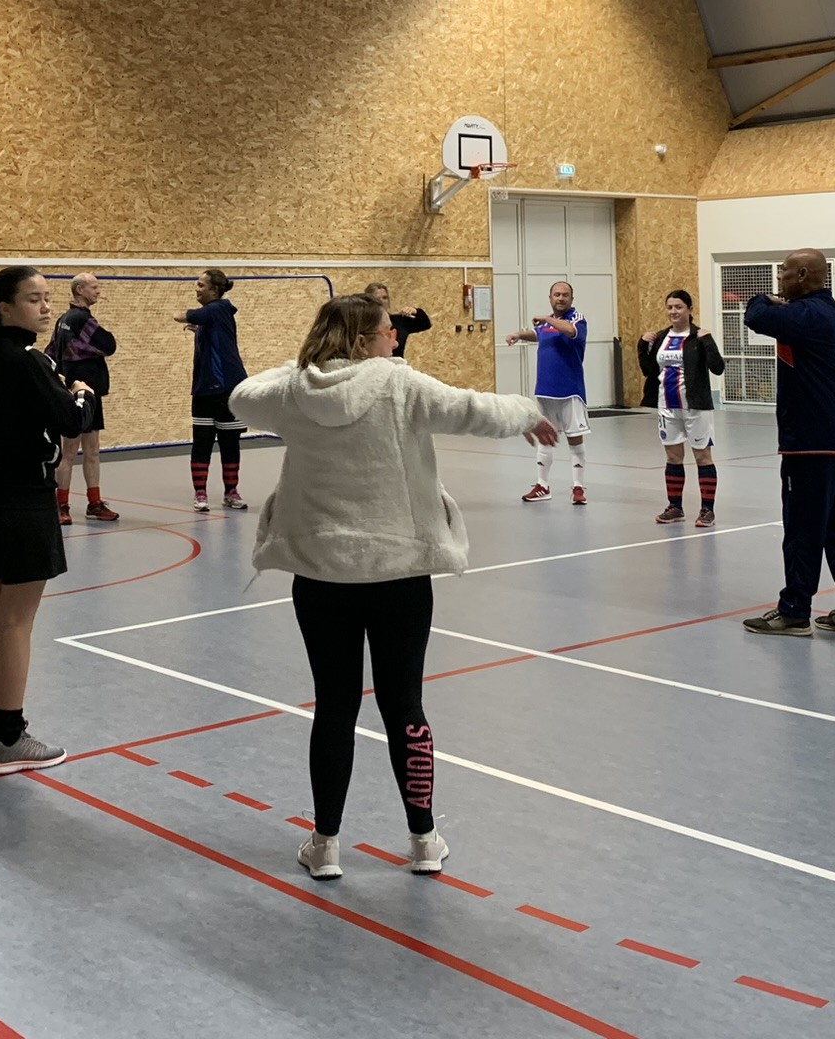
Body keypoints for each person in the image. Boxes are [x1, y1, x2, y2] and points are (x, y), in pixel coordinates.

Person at [231, 295, 556, 881]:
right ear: (362, 341)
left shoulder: (293, 392)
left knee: (334, 704)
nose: (395, 341)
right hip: (400, 574)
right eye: (386, 332)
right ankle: (424, 838)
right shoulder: (398, 385)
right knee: (404, 704)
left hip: (322, 574)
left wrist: (301, 366)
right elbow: (474, 409)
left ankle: (325, 844)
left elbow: (241, 395)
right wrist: (528, 411)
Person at [0, 265, 94, 775]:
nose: (43, 308)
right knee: (15, 620)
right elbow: (70, 421)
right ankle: (12, 737)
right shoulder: (28, 361)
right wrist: (80, 392)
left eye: (46, 299)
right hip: (22, 503)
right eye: (34, 299)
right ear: (5, 308)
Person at [739, 249, 835, 638]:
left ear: (801, 274)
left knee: (802, 529)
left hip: (811, 442)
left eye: (782, 271)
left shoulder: (808, 315)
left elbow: (756, 315)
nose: (778, 278)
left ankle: (795, 610)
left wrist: (765, 300)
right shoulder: (825, 312)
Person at [639, 290, 726, 528]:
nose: (673, 312)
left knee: (702, 456)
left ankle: (707, 510)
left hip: (696, 407)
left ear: (689, 309)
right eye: (669, 307)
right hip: (667, 406)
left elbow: (718, 368)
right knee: (673, 457)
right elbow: (648, 370)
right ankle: (675, 507)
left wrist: (708, 342)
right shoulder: (661, 337)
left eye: (678, 307)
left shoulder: (699, 336)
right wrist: (642, 346)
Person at [506, 281, 590, 504]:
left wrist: (547, 319)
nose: (560, 298)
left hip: (570, 391)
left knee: (575, 438)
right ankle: (543, 486)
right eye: (556, 295)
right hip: (545, 391)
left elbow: (570, 331)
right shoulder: (546, 325)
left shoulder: (577, 319)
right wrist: (518, 335)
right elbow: (538, 333)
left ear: (572, 299)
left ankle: (578, 488)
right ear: (550, 297)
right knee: (545, 437)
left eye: (565, 295)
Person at [175, 268, 248, 512]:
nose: (197, 289)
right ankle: (201, 493)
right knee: (202, 443)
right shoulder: (212, 320)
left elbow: (188, 315)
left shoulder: (218, 309)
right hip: (204, 390)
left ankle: (231, 492)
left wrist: (180, 315)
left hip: (227, 389)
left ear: (215, 290)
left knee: (229, 443)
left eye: (201, 285)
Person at [49, 273, 118, 527]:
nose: (98, 291)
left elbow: (52, 351)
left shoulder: (63, 320)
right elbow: (109, 345)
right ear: (80, 290)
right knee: (72, 451)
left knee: (90, 450)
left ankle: (94, 502)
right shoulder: (81, 319)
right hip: (78, 394)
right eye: (94, 287)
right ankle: (62, 505)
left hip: (87, 394)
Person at [363, 282, 431, 359]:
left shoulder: (399, 321)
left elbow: (425, 324)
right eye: (377, 298)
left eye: (385, 298)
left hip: (397, 367)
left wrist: (416, 311)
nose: (382, 301)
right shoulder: (362, 323)